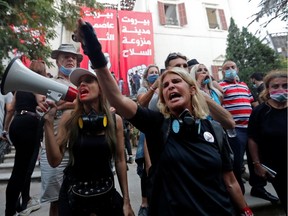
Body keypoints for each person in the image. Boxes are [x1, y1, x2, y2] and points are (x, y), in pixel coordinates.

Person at [73, 19, 253, 216]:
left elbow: (230, 181)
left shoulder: (215, 131)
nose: (170, 87)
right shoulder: (157, 125)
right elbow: (116, 98)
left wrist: (246, 210)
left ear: (192, 89)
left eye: (176, 82)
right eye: (165, 86)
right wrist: (94, 50)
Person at [38, 68, 134, 216]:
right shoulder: (69, 118)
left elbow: (120, 160)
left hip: (105, 193)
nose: (82, 85)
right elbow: (55, 161)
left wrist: (126, 201)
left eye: (88, 81)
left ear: (101, 88)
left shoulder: (116, 121)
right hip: (74, 197)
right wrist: (48, 123)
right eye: (79, 83)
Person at [39, 44, 82, 216]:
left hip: (80, 147)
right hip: (56, 147)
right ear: (57, 61)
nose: (70, 59)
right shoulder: (49, 83)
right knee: (56, 201)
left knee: (80, 197)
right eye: (65, 57)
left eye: (73, 57)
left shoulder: (82, 83)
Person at [5, 60, 47, 216]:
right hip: (29, 125)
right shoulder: (36, 84)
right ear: (42, 72)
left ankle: (16, 203)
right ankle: (13, 209)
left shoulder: (21, 86)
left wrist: (5, 130)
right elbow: (41, 102)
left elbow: (10, 109)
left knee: (19, 168)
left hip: (16, 124)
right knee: (22, 170)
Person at [247, 70, 287, 213]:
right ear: (268, 89)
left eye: (286, 85)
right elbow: (252, 139)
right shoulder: (260, 112)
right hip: (276, 170)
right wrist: (257, 164)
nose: (281, 89)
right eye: (275, 86)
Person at [164, 53, 235, 130]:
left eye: (185, 66)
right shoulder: (162, 94)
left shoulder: (200, 92)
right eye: (178, 66)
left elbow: (229, 123)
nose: (182, 69)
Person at [219, 60, 257, 194]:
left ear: (237, 69)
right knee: (237, 161)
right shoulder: (220, 86)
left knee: (255, 160)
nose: (230, 69)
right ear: (222, 72)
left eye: (232, 67)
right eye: (227, 68)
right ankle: (238, 190)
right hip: (235, 129)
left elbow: (252, 103)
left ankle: (258, 187)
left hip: (251, 128)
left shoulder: (244, 85)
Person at [136, 64, 160, 216]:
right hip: (147, 130)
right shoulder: (143, 89)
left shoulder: (164, 87)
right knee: (146, 169)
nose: (154, 74)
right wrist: (153, 88)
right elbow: (141, 104)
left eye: (156, 72)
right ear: (146, 76)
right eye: (151, 72)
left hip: (160, 129)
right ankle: (145, 203)